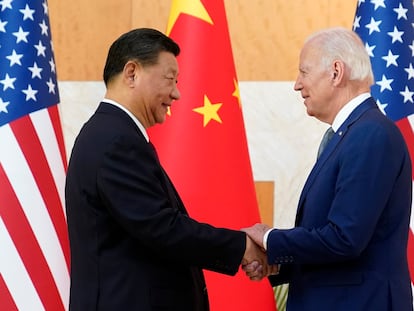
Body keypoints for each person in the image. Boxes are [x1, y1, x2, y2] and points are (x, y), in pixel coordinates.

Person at [65, 28, 270, 311]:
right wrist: (241, 247)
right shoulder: (115, 140)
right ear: (132, 73)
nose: (176, 93)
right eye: (170, 79)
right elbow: (162, 228)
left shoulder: (113, 134)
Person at [243, 27, 413, 310]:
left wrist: (271, 239)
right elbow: (339, 241)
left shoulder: (371, 134)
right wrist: (278, 262)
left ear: (336, 72)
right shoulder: (351, 134)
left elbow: (345, 238)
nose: (297, 85)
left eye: (304, 72)